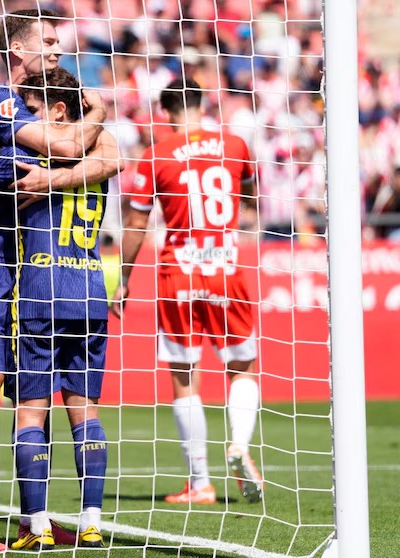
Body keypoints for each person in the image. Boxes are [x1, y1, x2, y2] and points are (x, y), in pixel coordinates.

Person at [0, 7, 118, 554]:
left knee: (30, 395)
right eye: (46, 41)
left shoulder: (50, 111)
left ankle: (32, 521)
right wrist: (98, 112)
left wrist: (58, 177)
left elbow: (110, 157)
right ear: (17, 49)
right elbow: (70, 149)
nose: (57, 49)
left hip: (33, 274)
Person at [113, 78, 264, 505]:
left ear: (164, 112)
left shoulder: (155, 155)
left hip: (178, 272)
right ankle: (240, 445)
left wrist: (124, 279)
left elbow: (137, 224)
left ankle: (200, 482)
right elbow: (249, 192)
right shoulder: (235, 145)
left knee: (184, 375)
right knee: (241, 365)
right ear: (203, 104)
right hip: (225, 268)